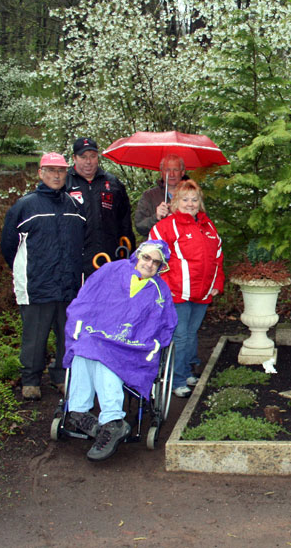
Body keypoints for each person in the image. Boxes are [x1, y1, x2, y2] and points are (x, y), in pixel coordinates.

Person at [63, 240, 178, 461]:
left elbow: (165, 323)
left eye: (156, 262)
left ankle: (113, 420)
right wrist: (80, 325)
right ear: (138, 255)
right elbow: (86, 300)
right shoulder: (111, 271)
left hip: (132, 345)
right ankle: (78, 411)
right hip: (100, 333)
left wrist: (149, 341)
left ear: (161, 266)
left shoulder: (160, 290)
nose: (149, 264)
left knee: (106, 355)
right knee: (84, 345)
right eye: (147, 258)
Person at [1, 153, 86, 401]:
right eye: (50, 170)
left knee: (66, 333)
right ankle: (30, 379)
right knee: (35, 336)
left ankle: (60, 376)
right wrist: (27, 271)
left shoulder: (74, 206)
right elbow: (9, 247)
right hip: (36, 284)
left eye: (60, 171)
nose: (56, 175)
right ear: (40, 173)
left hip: (68, 284)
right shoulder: (25, 206)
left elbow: (82, 242)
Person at [150, 180, 224, 398]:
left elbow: (218, 258)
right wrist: (168, 283)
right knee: (180, 336)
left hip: (203, 292)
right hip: (177, 293)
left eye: (194, 199)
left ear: (200, 203)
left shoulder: (208, 225)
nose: (190, 204)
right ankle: (177, 379)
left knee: (191, 333)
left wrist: (217, 284)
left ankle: (188, 370)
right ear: (175, 202)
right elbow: (153, 259)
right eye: (185, 199)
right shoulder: (165, 226)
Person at [66, 137, 136, 277]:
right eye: (83, 157)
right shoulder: (65, 183)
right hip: (76, 259)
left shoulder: (113, 183)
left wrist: (129, 255)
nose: (88, 161)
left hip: (109, 257)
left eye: (92, 156)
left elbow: (125, 222)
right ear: (74, 158)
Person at [133, 154, 186, 237]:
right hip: (158, 247)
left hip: (185, 246)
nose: (171, 174)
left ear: (182, 172)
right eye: (167, 170)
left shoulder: (191, 196)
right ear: (161, 173)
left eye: (175, 170)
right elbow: (140, 227)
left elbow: (203, 223)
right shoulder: (149, 196)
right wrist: (156, 217)